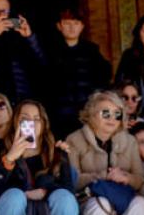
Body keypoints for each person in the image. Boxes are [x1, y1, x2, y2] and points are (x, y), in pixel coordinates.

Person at [45, 8, 112, 137]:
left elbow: (105, 77)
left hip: (87, 114)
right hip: (60, 116)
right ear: (59, 26)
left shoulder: (92, 50)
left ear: (82, 26)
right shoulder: (51, 51)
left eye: (76, 23)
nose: (72, 28)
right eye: (67, 23)